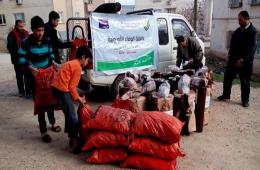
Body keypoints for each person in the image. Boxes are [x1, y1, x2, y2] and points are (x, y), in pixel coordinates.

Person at [17, 16, 61, 143]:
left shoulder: (47, 40)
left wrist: (53, 63)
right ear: (32, 30)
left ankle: (52, 123)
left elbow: (51, 54)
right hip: (34, 77)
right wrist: (31, 69)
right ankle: (43, 131)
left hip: (47, 75)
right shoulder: (26, 42)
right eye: (37, 30)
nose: (40, 33)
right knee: (40, 103)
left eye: (42, 30)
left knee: (51, 100)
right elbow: (20, 58)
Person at [51, 45, 92, 154]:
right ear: (83, 57)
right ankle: (75, 142)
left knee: (68, 112)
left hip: (56, 88)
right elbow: (72, 88)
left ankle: (70, 136)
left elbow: (71, 87)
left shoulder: (72, 62)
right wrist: (79, 99)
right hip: (61, 89)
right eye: (88, 60)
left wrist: (78, 97)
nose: (87, 63)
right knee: (72, 115)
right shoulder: (77, 67)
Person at [218, 11, 257, 107]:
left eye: (240, 19)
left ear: (247, 18)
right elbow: (232, 46)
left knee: (245, 81)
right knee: (227, 77)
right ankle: (226, 94)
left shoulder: (253, 31)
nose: (238, 21)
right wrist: (230, 57)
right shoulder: (237, 31)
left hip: (246, 62)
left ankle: (245, 100)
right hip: (233, 60)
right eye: (238, 19)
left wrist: (242, 60)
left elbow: (252, 48)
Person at [7, 20, 29, 97]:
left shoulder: (26, 33)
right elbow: (10, 46)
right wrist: (17, 53)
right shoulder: (12, 34)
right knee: (19, 75)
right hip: (17, 58)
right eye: (19, 26)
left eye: (22, 26)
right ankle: (21, 91)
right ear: (16, 26)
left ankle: (28, 90)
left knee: (27, 74)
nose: (21, 28)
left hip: (26, 58)